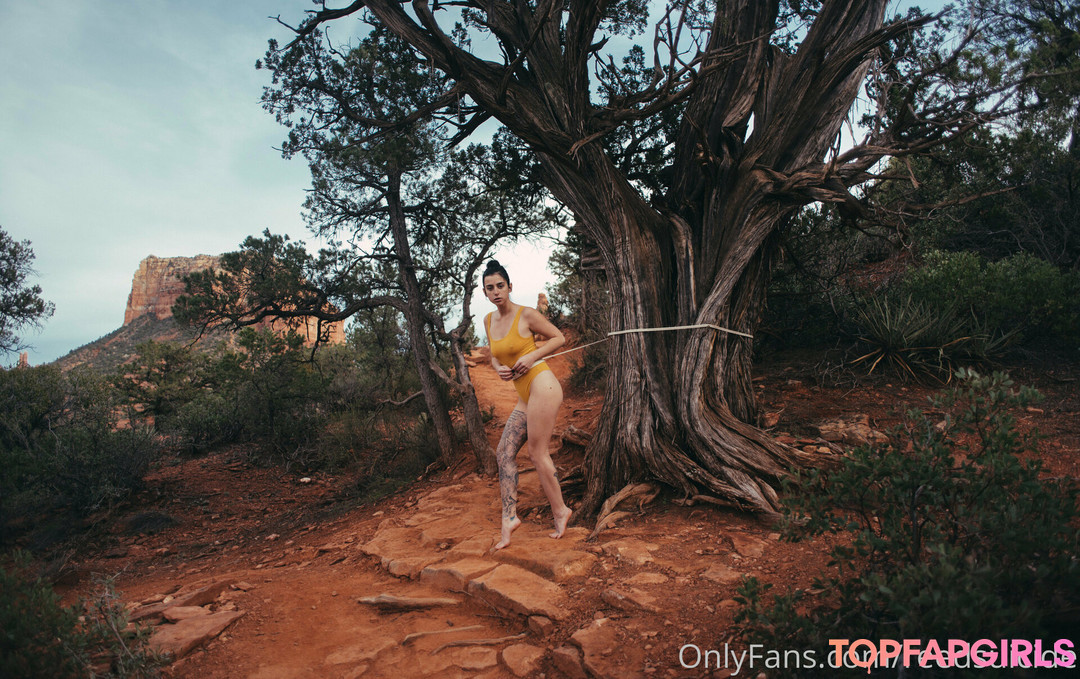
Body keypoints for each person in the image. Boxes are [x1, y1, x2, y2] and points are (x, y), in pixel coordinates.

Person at [481, 260, 572, 550]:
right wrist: (498, 368)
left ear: (510, 287)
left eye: (500, 286)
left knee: (536, 452)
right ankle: (509, 517)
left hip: (542, 385)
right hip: (524, 394)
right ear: (485, 293)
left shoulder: (527, 314)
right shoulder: (488, 320)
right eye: (490, 288)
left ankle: (561, 511)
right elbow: (493, 355)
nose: (496, 292)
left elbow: (559, 337)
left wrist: (532, 356)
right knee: (503, 453)